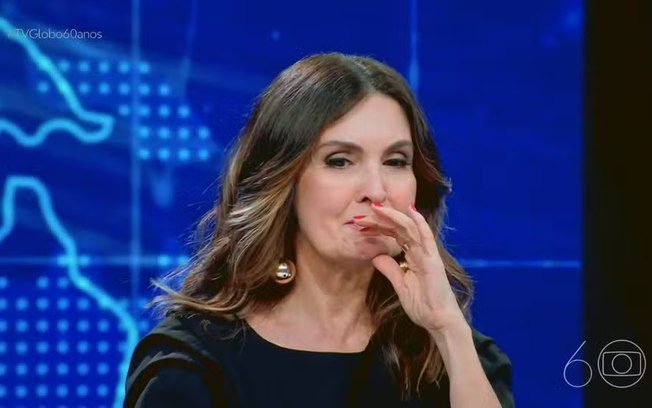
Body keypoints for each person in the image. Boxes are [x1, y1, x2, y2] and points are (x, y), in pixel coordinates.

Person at [124, 53, 514, 407]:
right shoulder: (195, 363)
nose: (376, 190)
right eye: (340, 161)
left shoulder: (457, 357)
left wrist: (448, 329)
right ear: (284, 181)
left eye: (396, 161)